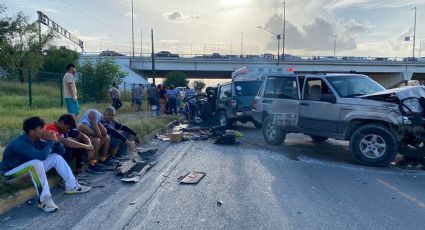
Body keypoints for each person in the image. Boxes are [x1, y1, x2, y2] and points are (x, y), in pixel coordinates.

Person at [1, 117, 91, 212]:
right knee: (36, 162)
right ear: (32, 131)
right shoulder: (19, 143)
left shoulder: (36, 140)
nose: (44, 131)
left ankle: (72, 186)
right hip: (10, 174)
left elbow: (61, 151)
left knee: (55, 157)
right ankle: (44, 200)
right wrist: (49, 141)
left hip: (26, 169)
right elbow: (41, 156)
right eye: (41, 129)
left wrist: (55, 141)